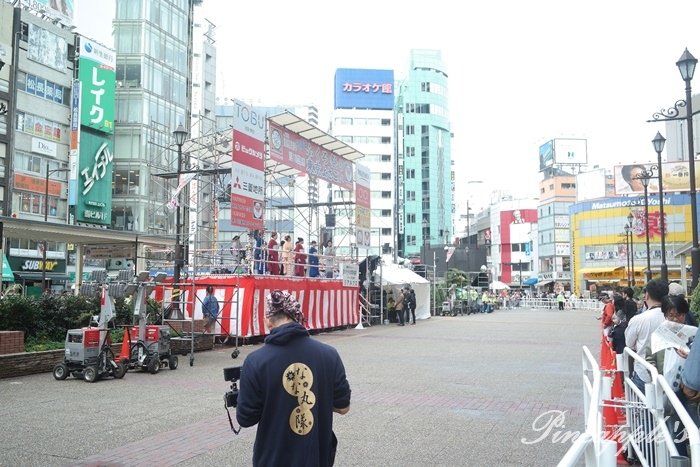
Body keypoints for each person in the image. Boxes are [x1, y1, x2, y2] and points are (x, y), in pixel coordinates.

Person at [236, 290, 351, 467]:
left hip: (273, 459)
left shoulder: (256, 361)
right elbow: (343, 407)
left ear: (268, 319)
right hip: (317, 458)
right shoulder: (329, 355)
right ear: (297, 316)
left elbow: (246, 418)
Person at [625, 279, 668, 393]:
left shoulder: (639, 319)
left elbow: (629, 344)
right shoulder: (673, 318)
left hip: (643, 372)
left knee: (642, 407)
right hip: (668, 374)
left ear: (647, 295)